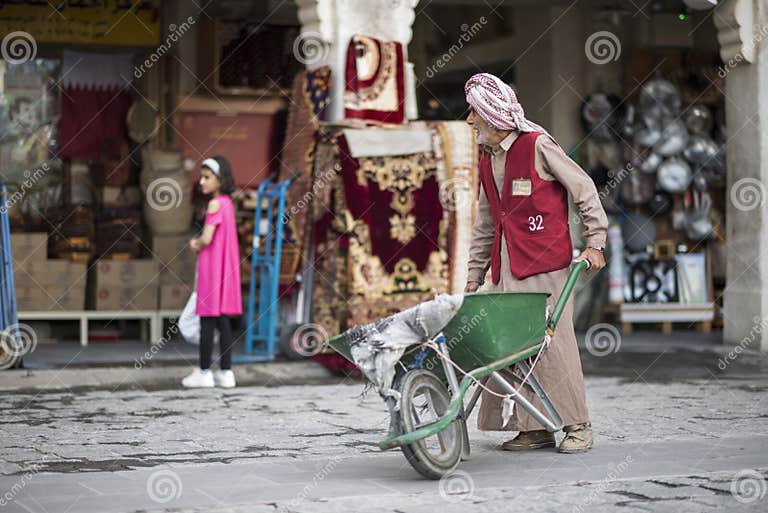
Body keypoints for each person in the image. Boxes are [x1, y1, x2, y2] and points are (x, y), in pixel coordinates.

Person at [464, 73, 608, 453]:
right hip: (505, 267)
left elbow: (584, 189)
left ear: (492, 115)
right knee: (508, 346)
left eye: (473, 113)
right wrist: (473, 274)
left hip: (546, 266)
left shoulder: (537, 145)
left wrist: (595, 242)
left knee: (552, 344)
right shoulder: (487, 157)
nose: (469, 120)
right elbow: (486, 221)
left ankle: (579, 425)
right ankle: (535, 428)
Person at [182, 156, 242, 389]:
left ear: (220, 179)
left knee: (207, 319)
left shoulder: (214, 204)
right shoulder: (228, 203)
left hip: (211, 269)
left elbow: (207, 238)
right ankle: (226, 372)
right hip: (225, 269)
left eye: (207, 177)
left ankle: (204, 371)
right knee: (223, 320)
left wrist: (194, 243)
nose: (202, 182)